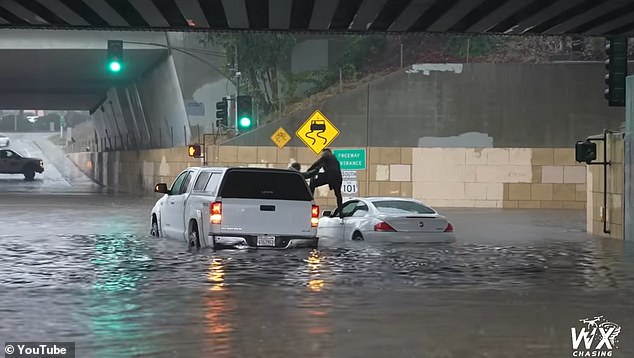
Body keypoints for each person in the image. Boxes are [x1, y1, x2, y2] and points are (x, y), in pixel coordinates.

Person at [306, 148, 343, 218]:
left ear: (325, 152)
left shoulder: (326, 155)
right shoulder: (333, 158)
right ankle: (341, 212)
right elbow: (319, 166)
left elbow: (317, 163)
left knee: (313, 182)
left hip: (329, 176)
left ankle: (310, 202)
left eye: (322, 153)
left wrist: (309, 170)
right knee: (338, 195)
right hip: (338, 177)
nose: (322, 155)